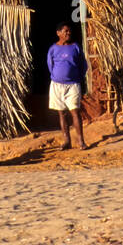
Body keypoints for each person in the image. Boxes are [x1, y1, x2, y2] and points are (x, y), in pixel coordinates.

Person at [47, 22, 87, 150]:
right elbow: (50, 66)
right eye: (65, 31)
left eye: (69, 31)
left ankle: (81, 141)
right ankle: (67, 141)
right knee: (62, 113)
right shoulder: (53, 49)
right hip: (57, 85)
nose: (68, 33)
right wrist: (57, 76)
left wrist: (78, 78)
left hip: (73, 85)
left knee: (75, 112)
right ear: (58, 33)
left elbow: (83, 65)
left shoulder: (75, 47)